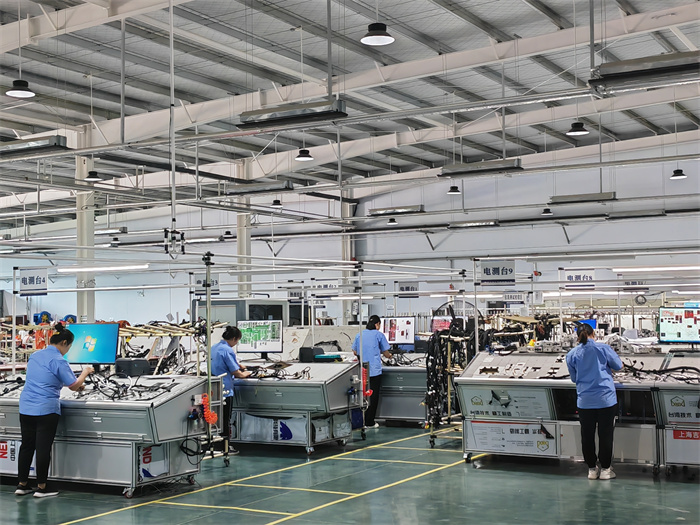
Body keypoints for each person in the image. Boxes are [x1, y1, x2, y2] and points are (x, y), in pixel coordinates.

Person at [16, 324, 93, 497]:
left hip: (26, 407)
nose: (67, 351)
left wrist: (72, 383)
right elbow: (73, 386)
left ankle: (22, 485)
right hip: (45, 409)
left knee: (27, 446)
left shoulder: (36, 355)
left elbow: (45, 378)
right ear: (64, 343)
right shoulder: (59, 360)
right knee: (43, 448)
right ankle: (42, 487)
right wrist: (85, 372)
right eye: (69, 347)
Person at [566, 324, 623, 480]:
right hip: (605, 400)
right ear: (593, 334)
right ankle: (605, 469)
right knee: (605, 435)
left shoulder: (572, 354)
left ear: (577, 336)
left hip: (585, 401)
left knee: (587, 435)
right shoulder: (603, 348)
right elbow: (618, 366)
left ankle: (592, 469)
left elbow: (574, 378)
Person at [211, 326, 252, 454]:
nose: (236, 343)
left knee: (216, 418)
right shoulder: (228, 350)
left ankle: (215, 445)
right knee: (225, 419)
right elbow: (236, 372)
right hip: (225, 390)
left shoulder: (214, 347)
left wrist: (239, 365)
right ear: (234, 338)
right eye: (237, 341)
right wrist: (246, 374)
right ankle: (225, 447)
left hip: (213, 387)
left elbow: (225, 362)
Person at [352, 315, 392, 428]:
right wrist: (391, 356)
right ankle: (370, 422)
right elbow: (386, 352)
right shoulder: (378, 335)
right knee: (372, 396)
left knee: (361, 395)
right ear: (377, 324)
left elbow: (354, 352)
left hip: (362, 370)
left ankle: (359, 421)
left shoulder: (359, 334)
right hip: (374, 371)